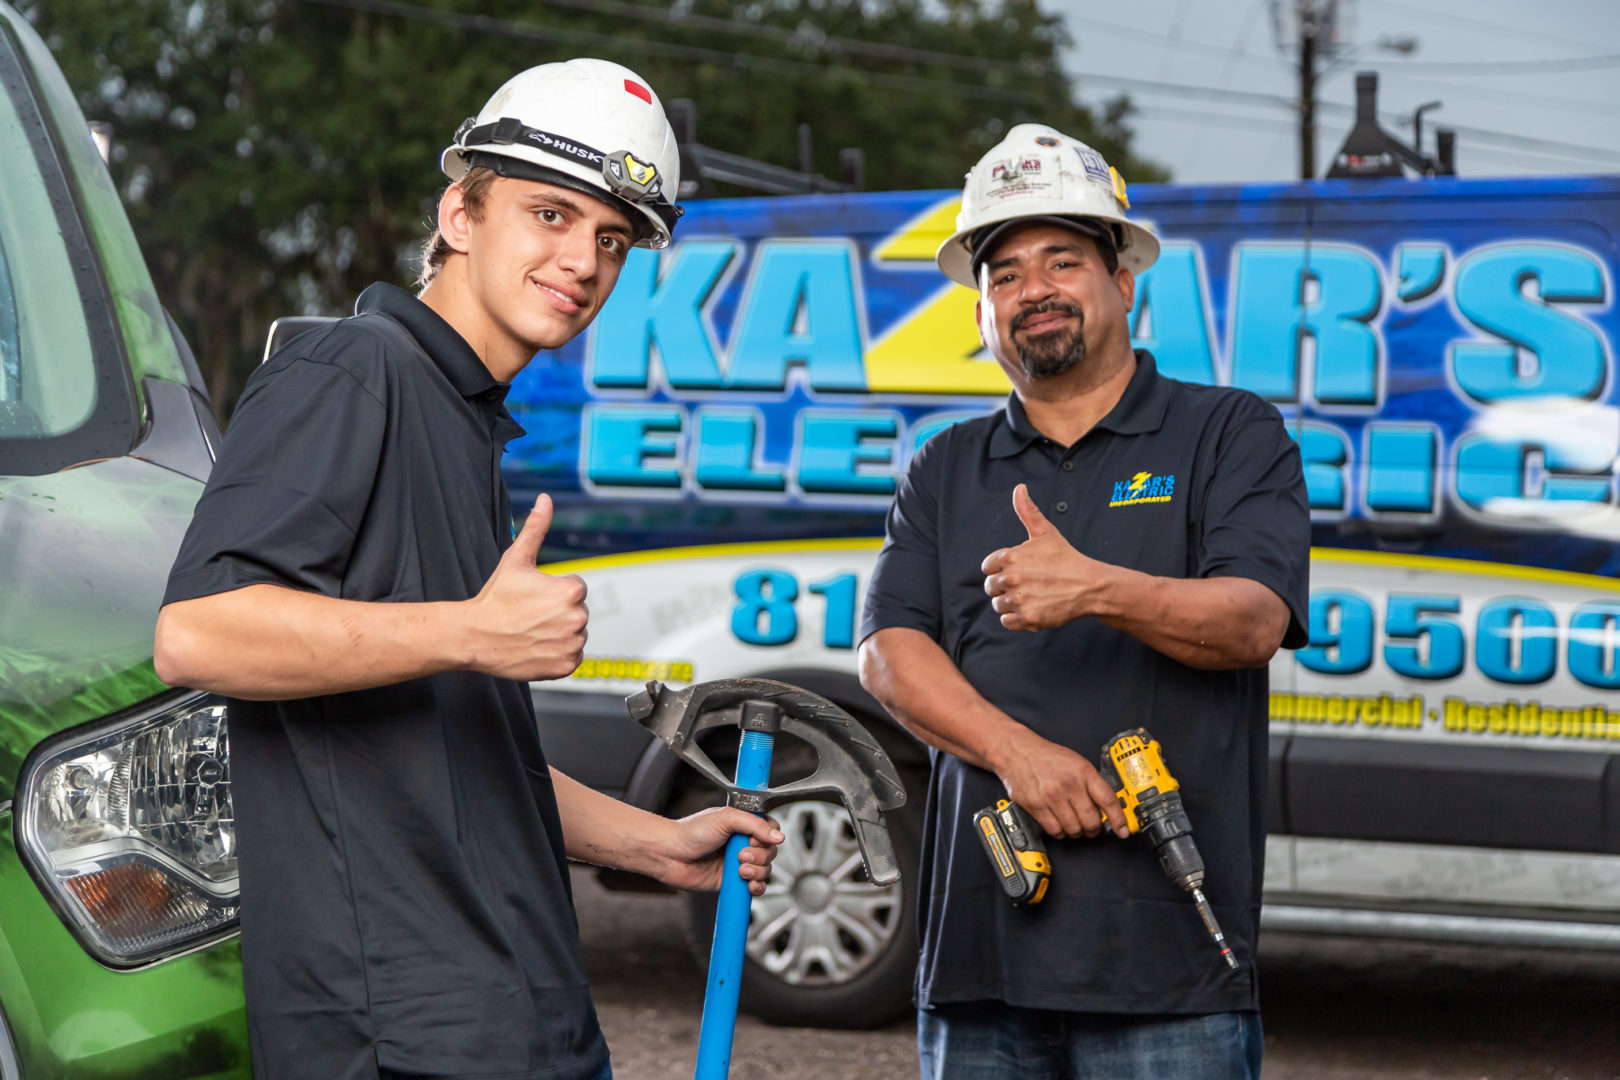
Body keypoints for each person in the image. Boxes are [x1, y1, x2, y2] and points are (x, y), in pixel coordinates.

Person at [154, 59, 781, 1080]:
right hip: (399, 1033)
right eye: (550, 213)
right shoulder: (351, 370)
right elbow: (199, 633)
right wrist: (469, 633)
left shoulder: (462, 421)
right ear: (460, 212)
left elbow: (457, 756)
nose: (582, 259)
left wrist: (653, 844)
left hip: (516, 1016)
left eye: (611, 239)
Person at [856, 124, 1310, 1080]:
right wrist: (1017, 755)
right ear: (981, 312)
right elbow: (889, 652)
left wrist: (1095, 588)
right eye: (1006, 274)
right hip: (980, 962)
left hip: (1171, 976)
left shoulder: (1227, 432)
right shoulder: (945, 466)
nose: (1034, 291)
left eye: (1063, 260)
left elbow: (1255, 622)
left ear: (1123, 282)